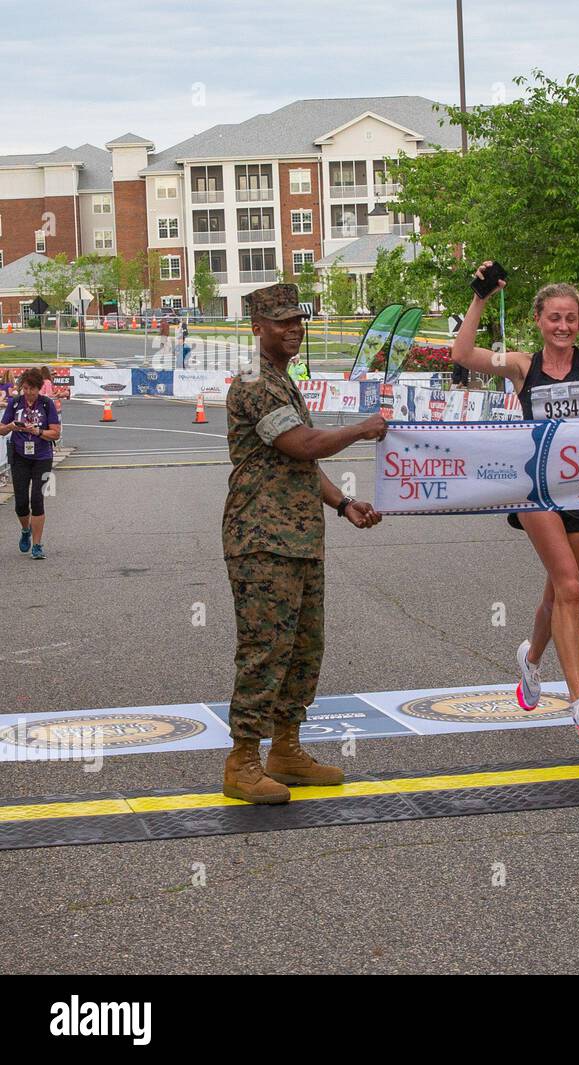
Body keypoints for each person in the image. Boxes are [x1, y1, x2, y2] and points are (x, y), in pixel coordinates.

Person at [450, 218, 579, 740]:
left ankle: (531, 654)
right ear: (540, 321)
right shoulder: (523, 367)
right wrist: (478, 298)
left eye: (570, 318)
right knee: (571, 585)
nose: (563, 326)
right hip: (538, 488)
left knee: (557, 591)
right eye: (553, 319)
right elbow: (462, 356)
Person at [222, 283, 388, 804]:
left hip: (297, 539)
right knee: (264, 650)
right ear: (257, 327)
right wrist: (363, 429)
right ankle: (242, 761)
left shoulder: (282, 380)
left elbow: (300, 463)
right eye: (281, 321)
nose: (293, 329)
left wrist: (341, 503)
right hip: (261, 539)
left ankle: (286, 749)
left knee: (303, 648)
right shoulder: (255, 381)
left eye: (298, 321)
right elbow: (302, 444)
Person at [0, 368, 61, 560]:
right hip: (19, 456)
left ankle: (37, 544)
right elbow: (1, 430)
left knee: (37, 499)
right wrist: (10, 426)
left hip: (42, 456)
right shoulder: (15, 403)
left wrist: (38, 432)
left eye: (32, 389)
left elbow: (56, 433)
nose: (29, 392)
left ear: (39, 388)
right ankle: (25, 530)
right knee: (21, 503)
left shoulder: (46, 404)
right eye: (25, 388)